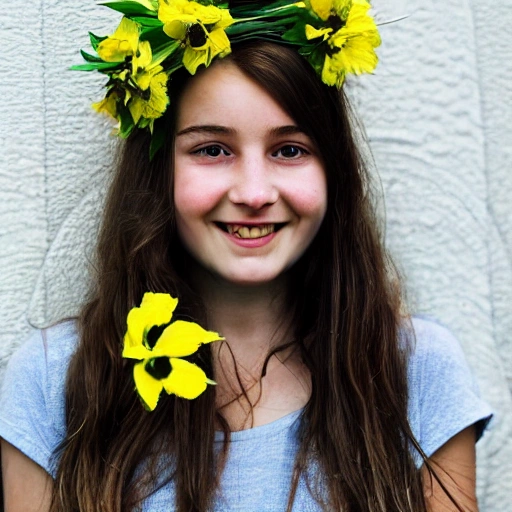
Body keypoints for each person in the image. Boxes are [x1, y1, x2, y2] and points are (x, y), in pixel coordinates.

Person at [0, 1, 492, 511]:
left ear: (334, 173)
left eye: (289, 150)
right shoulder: (55, 378)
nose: (254, 193)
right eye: (212, 149)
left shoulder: (414, 370)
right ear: (157, 174)